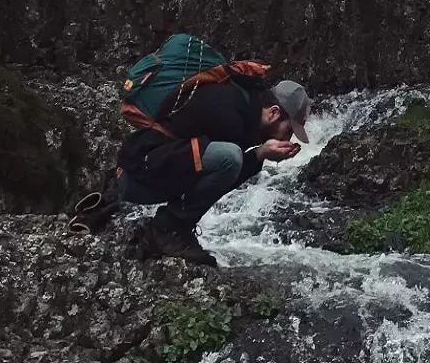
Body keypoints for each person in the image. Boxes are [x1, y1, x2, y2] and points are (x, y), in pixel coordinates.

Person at [116, 75, 312, 266]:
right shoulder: (231, 114)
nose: (288, 140)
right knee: (230, 157)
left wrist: (260, 153)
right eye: (289, 131)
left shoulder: (243, 105)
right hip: (136, 178)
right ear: (274, 113)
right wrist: (259, 154)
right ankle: (168, 229)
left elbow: (222, 177)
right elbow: (228, 170)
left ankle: (172, 227)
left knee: (229, 157)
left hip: (142, 171)